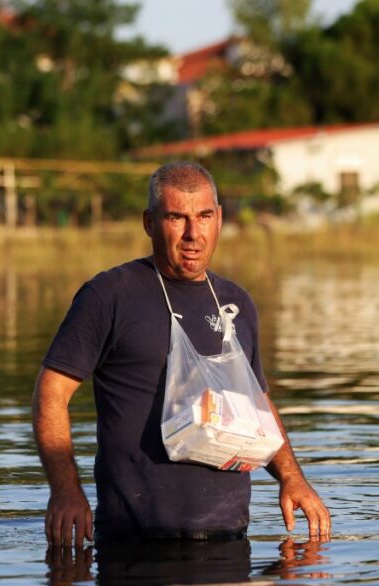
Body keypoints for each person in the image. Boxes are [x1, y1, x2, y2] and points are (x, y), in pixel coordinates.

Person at [32, 161, 331, 547]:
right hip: (134, 543)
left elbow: (256, 403)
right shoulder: (109, 296)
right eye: (176, 217)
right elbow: (50, 394)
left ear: (219, 219)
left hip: (229, 543)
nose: (194, 233)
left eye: (204, 216)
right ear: (149, 222)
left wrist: (292, 478)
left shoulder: (235, 301)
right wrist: (66, 491)